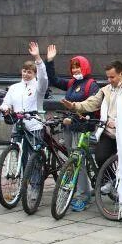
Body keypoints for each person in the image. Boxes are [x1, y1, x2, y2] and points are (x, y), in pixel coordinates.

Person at [62, 61, 122, 208]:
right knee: (101, 156)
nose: (110, 80)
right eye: (108, 77)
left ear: (121, 74)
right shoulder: (106, 90)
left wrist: (120, 122)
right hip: (107, 132)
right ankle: (110, 180)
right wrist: (75, 106)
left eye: (112, 77)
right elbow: (92, 102)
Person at [45, 45, 99, 209]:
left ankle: (83, 195)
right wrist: (50, 61)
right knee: (72, 160)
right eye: (73, 68)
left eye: (78, 67)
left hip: (82, 128)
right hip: (68, 127)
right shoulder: (71, 84)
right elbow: (53, 80)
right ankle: (79, 189)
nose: (75, 70)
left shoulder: (91, 85)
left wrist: (74, 121)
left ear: (85, 67)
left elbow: (91, 109)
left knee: (78, 162)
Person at [0, 42, 49, 174]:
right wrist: (2, 107)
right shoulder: (14, 87)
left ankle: (35, 187)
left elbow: (44, 78)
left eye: (29, 72)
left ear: (34, 74)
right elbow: (7, 103)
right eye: (24, 71)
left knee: (34, 159)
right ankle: (21, 182)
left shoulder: (38, 87)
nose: (25, 74)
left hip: (34, 125)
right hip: (18, 125)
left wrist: (38, 59)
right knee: (19, 155)